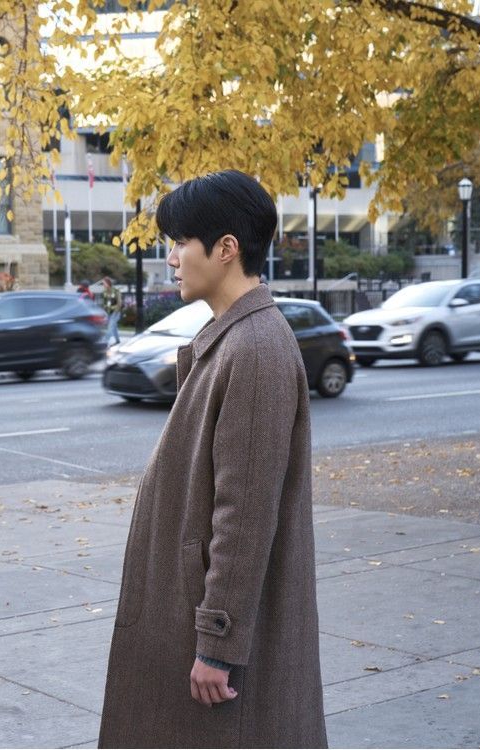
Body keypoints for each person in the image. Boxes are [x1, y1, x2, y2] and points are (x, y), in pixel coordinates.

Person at [98, 171, 327, 748]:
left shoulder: (254, 349)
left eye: (180, 243)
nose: (171, 258)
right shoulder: (236, 340)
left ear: (226, 249)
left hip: (212, 637)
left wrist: (217, 644)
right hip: (193, 612)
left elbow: (243, 517)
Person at [101, 276, 122, 345]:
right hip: (109, 312)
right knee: (114, 326)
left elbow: (119, 303)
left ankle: (104, 342)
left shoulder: (116, 291)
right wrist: (105, 308)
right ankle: (117, 340)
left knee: (110, 327)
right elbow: (104, 303)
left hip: (116, 312)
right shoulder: (104, 292)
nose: (103, 285)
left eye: (104, 283)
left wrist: (114, 309)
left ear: (108, 283)